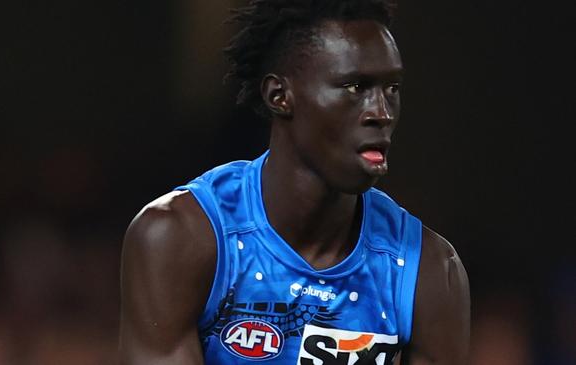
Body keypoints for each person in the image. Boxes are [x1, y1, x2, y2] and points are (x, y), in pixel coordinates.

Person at [118, 1, 470, 364]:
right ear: (279, 96)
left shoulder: (427, 268)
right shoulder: (182, 237)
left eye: (392, 88)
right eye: (354, 86)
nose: (380, 112)